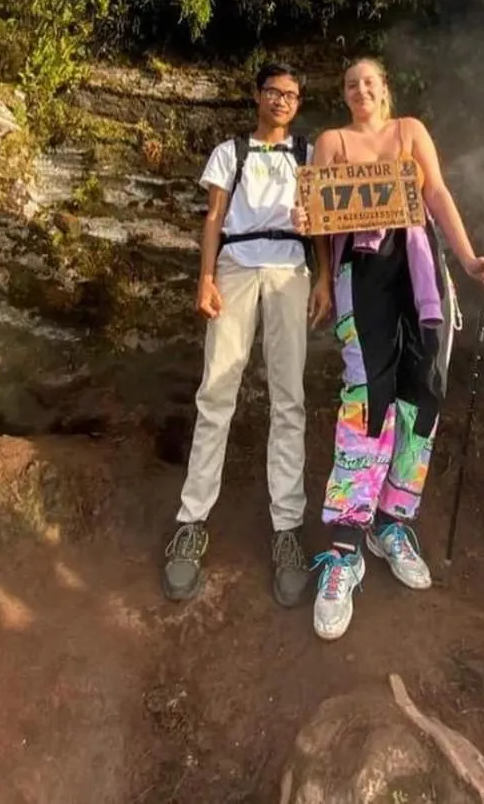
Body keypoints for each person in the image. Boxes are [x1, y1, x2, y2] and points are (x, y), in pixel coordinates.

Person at [294, 57, 484, 640]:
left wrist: (468, 259)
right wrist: (320, 269)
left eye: (369, 82)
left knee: (423, 395)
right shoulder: (332, 142)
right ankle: (345, 545)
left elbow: (436, 192)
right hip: (362, 274)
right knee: (368, 397)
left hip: (421, 269)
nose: (360, 90)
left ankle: (391, 520)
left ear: (385, 89)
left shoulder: (410, 131)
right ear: (344, 95)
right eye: (350, 84)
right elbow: (319, 214)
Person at [162, 61, 331, 607]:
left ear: (298, 104)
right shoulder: (229, 152)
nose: (281, 100)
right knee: (216, 391)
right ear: (257, 96)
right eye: (272, 91)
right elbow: (214, 218)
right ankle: (192, 520)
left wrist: (324, 277)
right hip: (235, 265)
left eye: (290, 94)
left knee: (289, 397)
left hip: (289, 270)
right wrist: (205, 278)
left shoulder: (307, 154)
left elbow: (322, 220)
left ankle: (287, 527)